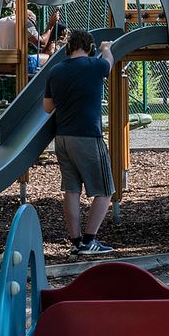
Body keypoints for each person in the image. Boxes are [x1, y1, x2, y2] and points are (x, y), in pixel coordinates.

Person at [42, 29, 116, 257]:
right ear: (89, 47)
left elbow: (47, 107)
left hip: (62, 137)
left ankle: (75, 242)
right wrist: (106, 49)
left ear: (68, 47)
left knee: (71, 190)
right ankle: (89, 240)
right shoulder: (94, 66)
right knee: (105, 191)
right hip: (87, 136)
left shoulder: (56, 71)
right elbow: (109, 64)